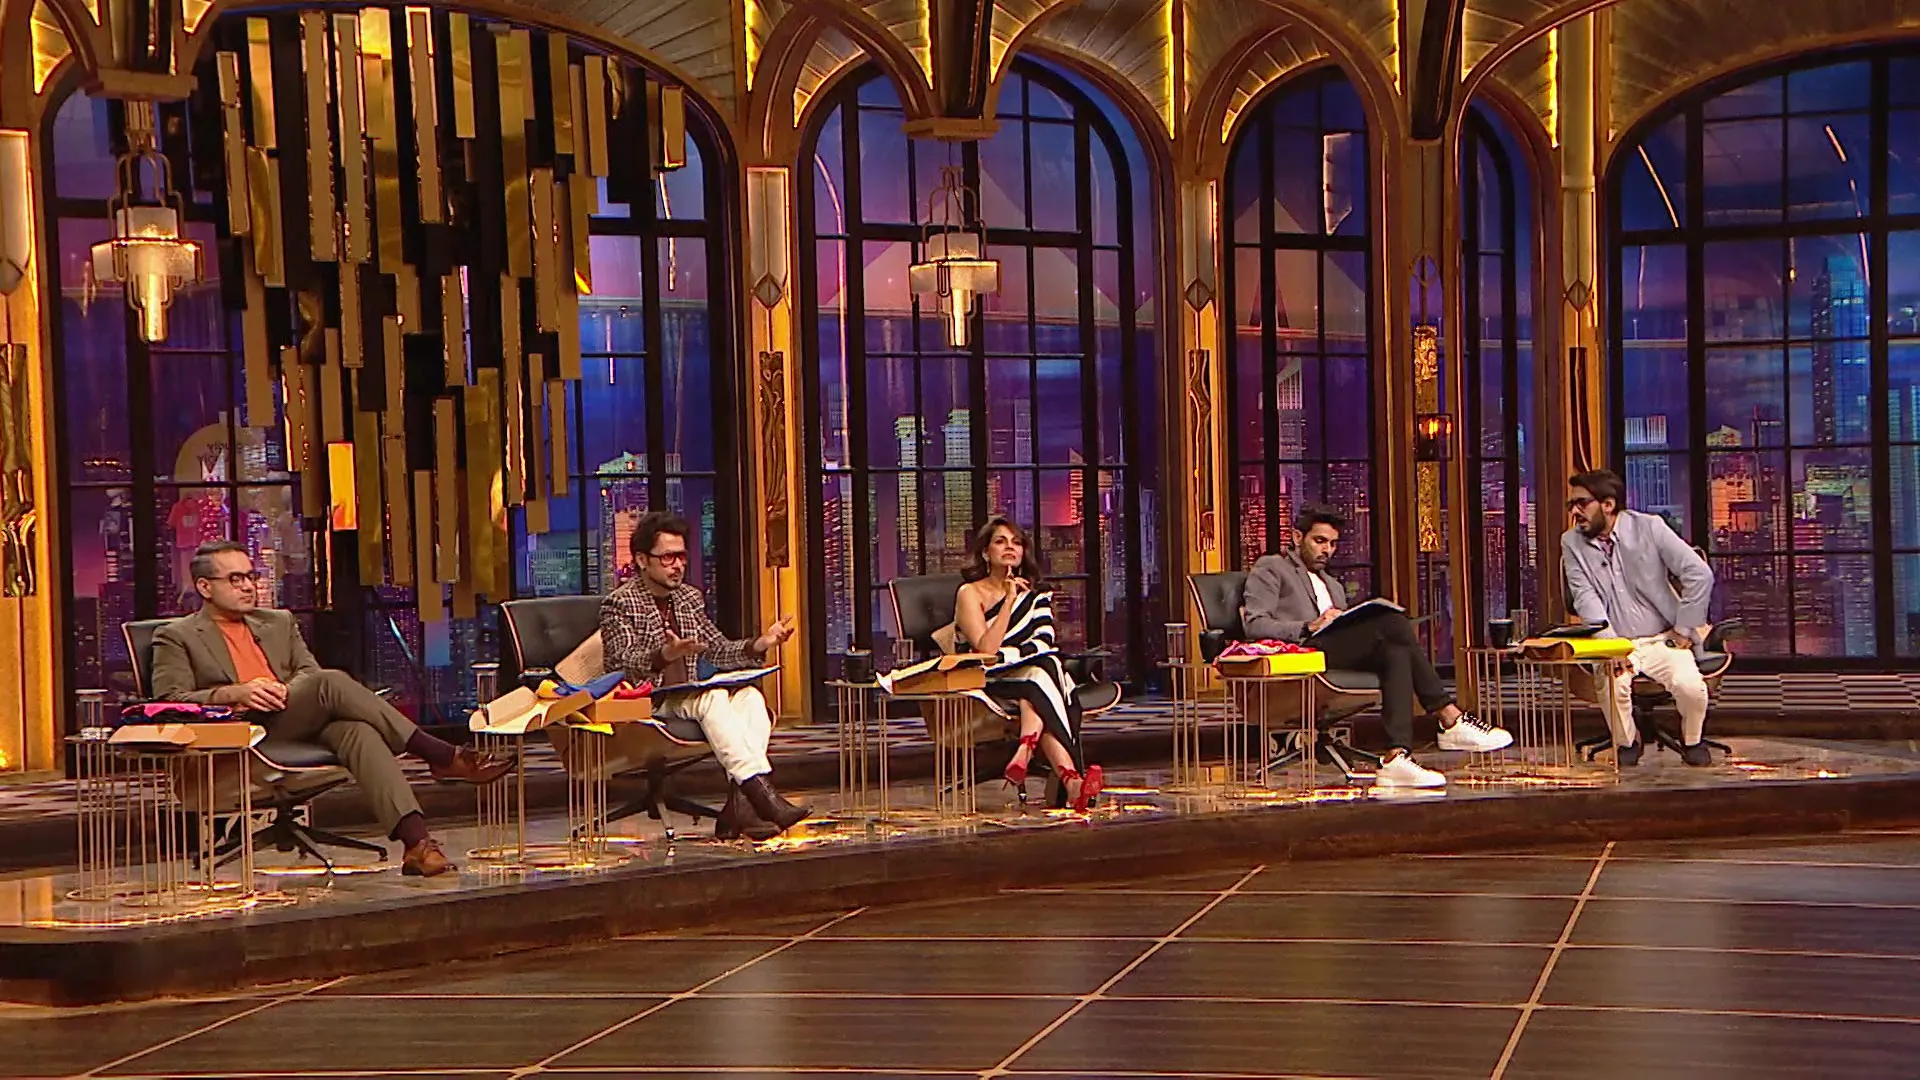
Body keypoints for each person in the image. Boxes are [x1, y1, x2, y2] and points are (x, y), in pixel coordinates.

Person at [150, 541, 513, 878]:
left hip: (290, 717)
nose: (248, 586)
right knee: (331, 682)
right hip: (239, 734)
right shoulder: (177, 636)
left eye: (250, 576)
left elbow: (307, 672)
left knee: (358, 731)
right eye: (235, 579)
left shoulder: (277, 622)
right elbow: (169, 701)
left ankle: (417, 845)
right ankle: (441, 755)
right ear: (205, 587)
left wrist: (285, 691)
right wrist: (237, 693)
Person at [1241, 505, 1513, 788]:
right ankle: (1449, 717)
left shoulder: (1333, 585)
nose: (1327, 550)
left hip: (1333, 653)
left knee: (1396, 651)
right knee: (1392, 623)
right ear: (1298, 537)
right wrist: (1309, 625)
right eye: (1319, 541)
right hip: (1302, 651)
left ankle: (1397, 756)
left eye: (1332, 544)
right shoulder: (1272, 567)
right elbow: (1254, 624)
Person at [600, 511, 806, 840]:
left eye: (682, 556)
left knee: (751, 698)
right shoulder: (620, 604)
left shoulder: (688, 598)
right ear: (642, 560)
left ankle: (741, 805)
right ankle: (764, 797)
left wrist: (759, 644)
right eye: (667, 558)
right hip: (649, 701)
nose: (677, 565)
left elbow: (717, 649)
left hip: (690, 696)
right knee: (712, 698)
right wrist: (664, 656)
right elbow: (619, 664)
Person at [1562, 468, 1716, 766]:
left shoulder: (1650, 528)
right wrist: (1611, 647)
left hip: (1663, 639)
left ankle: (1692, 740)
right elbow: (1585, 597)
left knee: (1690, 687)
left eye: (1582, 503)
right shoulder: (1571, 542)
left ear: (1608, 504)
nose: (1575, 512)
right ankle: (1627, 742)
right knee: (1613, 684)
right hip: (1615, 641)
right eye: (1572, 505)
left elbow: (1699, 574)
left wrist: (1684, 628)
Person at [953, 517, 1105, 813]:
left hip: (1031, 676)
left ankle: (1039, 757)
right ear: (985, 552)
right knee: (1048, 675)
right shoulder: (969, 593)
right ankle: (1066, 774)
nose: (1010, 547)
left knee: (1039, 680)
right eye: (1000, 542)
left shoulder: (1037, 595)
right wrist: (1009, 601)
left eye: (1017, 542)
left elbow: (1044, 642)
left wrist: (1015, 655)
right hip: (987, 677)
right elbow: (986, 650)